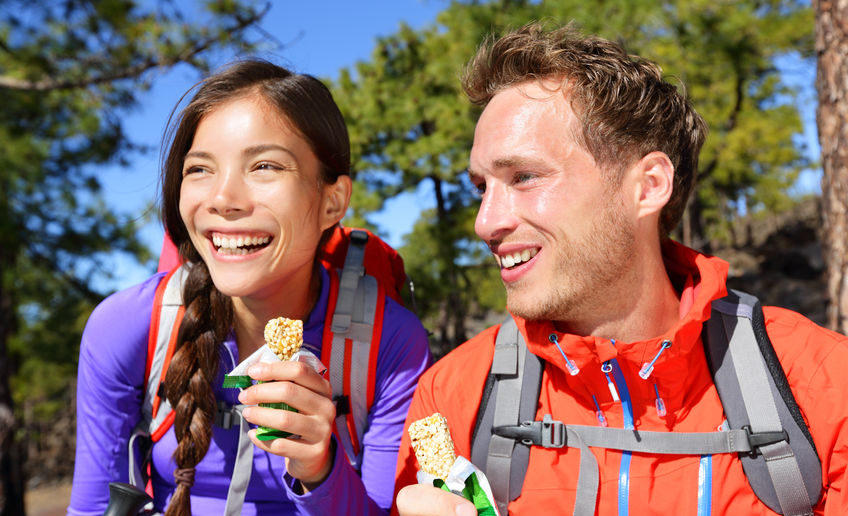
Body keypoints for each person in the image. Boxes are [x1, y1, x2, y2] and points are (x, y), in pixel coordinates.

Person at [393, 23, 848, 516]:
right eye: (482, 186)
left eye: (523, 177)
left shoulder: (824, 386)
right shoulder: (453, 396)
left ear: (649, 186)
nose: (486, 222)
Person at [68, 59, 431, 516]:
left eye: (263, 166)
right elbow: (93, 507)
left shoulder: (389, 342)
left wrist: (320, 468)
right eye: (199, 169)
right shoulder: (128, 327)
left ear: (332, 201)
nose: (222, 199)